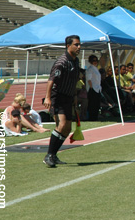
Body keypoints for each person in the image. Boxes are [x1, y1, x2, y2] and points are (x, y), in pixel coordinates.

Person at [42, 35, 81, 168]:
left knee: (67, 129)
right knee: (62, 125)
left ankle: (53, 155)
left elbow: (74, 80)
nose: (79, 47)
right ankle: (48, 155)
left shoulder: (76, 61)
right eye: (76, 44)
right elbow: (51, 80)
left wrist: (74, 95)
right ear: (68, 45)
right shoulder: (62, 62)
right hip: (57, 96)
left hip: (68, 97)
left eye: (79, 44)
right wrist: (47, 98)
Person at [86, 54, 102, 121]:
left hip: (97, 88)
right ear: (90, 61)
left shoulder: (96, 68)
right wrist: (91, 87)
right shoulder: (90, 69)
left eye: (96, 60)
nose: (95, 62)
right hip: (92, 89)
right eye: (93, 60)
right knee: (92, 104)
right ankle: (92, 117)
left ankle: (95, 117)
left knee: (97, 104)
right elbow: (89, 79)